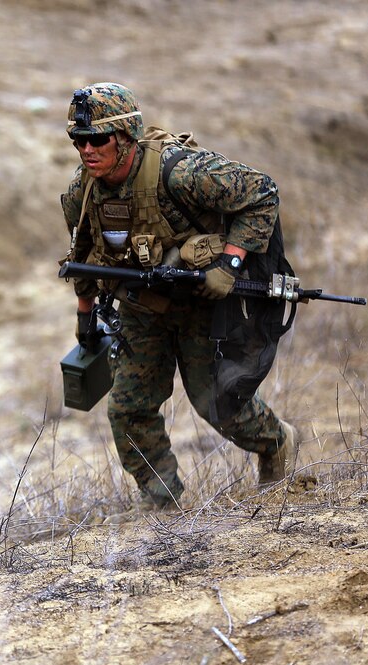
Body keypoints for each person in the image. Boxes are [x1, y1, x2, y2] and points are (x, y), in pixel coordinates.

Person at [59, 83, 298, 508]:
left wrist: (230, 265)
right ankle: (163, 501)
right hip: (139, 309)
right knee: (129, 409)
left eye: (98, 139)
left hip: (200, 303)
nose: (87, 150)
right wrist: (84, 320)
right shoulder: (84, 194)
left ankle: (277, 443)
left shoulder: (182, 172)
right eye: (79, 140)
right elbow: (83, 258)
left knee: (218, 405)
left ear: (126, 136)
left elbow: (262, 193)